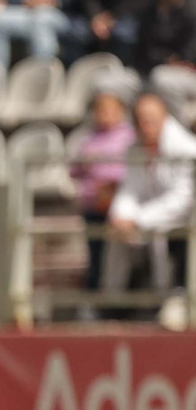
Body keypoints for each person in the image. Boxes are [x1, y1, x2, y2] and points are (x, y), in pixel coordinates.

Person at [103, 92, 196, 312]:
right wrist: (121, 216)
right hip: (149, 217)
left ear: (165, 117)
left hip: (182, 220)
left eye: (151, 119)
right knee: (115, 234)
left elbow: (182, 200)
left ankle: (159, 302)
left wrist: (137, 219)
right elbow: (129, 189)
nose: (146, 125)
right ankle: (110, 302)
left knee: (156, 234)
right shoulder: (135, 149)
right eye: (141, 120)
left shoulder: (187, 149)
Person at [69, 90, 135, 301]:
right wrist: (84, 163)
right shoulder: (88, 138)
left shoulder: (129, 137)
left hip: (118, 208)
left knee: (118, 258)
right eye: (100, 109)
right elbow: (73, 171)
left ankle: (120, 300)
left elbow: (130, 172)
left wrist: (108, 184)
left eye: (109, 108)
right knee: (95, 255)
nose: (104, 113)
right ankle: (95, 301)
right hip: (92, 206)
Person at [133, 0, 196, 112]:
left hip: (188, 74)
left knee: (162, 79)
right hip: (150, 70)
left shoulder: (192, 11)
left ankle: (176, 125)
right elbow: (143, 51)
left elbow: (188, 56)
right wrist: (166, 59)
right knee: (109, 82)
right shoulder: (146, 10)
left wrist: (175, 60)